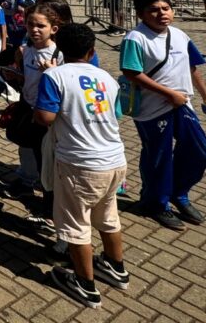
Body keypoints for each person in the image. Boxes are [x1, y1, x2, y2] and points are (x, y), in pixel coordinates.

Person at [35, 23, 129, 309]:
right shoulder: (106, 78)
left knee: (77, 225)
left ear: (60, 48)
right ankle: (116, 267)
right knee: (108, 216)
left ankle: (85, 283)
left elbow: (45, 117)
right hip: (114, 160)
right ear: (92, 50)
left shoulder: (54, 76)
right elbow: (117, 114)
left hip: (79, 162)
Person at [120, 0, 206, 231]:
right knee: (159, 158)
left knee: (200, 152)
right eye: (154, 10)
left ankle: (178, 193)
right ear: (142, 14)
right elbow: (131, 72)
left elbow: (193, 67)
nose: (161, 13)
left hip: (182, 104)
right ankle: (156, 203)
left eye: (165, 8)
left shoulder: (180, 35)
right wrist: (169, 94)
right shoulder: (135, 38)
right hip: (152, 110)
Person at [4, 3, 64, 216]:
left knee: (48, 163)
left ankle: (51, 206)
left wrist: (54, 72)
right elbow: (28, 80)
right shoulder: (27, 50)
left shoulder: (57, 55)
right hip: (29, 111)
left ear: (53, 29)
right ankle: (42, 195)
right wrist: (16, 76)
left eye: (41, 26)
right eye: (31, 25)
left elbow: (66, 88)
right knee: (36, 156)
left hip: (48, 117)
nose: (35, 29)